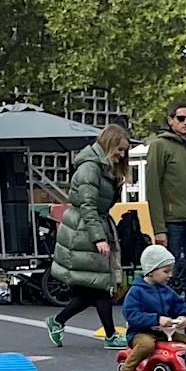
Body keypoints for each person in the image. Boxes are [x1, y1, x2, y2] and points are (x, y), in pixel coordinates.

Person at [47, 122, 131, 348]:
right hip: (83, 230)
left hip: (88, 227)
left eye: (125, 151)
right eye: (119, 150)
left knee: (92, 290)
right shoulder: (90, 168)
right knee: (99, 288)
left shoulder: (102, 167)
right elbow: (88, 205)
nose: (122, 155)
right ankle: (110, 336)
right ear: (109, 144)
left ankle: (58, 321)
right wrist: (99, 238)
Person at [145, 100, 186, 329]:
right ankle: (166, 323)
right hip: (171, 222)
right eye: (181, 118)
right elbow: (152, 188)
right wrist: (159, 228)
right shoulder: (159, 146)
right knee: (165, 275)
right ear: (170, 120)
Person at [114, 244, 186, 371]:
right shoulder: (136, 291)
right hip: (140, 333)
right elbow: (132, 315)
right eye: (166, 271)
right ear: (151, 271)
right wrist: (156, 319)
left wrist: (184, 317)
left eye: (170, 271)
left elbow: (181, 307)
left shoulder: (167, 291)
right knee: (146, 345)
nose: (170, 275)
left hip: (164, 332)